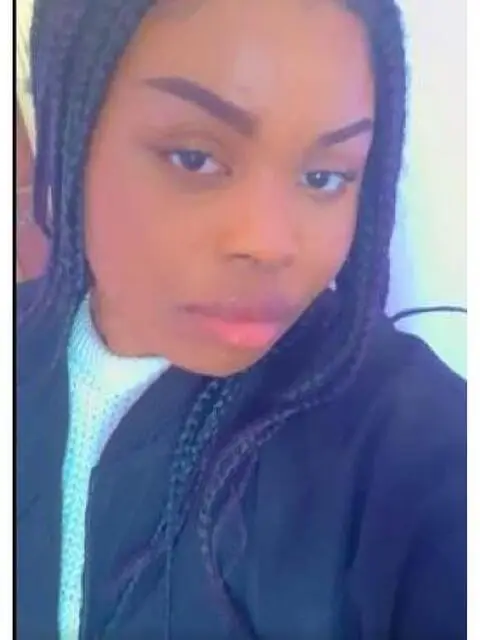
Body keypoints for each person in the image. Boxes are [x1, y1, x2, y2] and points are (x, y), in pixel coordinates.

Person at [16, 0, 466, 638]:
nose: (269, 243)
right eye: (194, 158)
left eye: (324, 176)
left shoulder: (412, 441)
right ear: (70, 127)